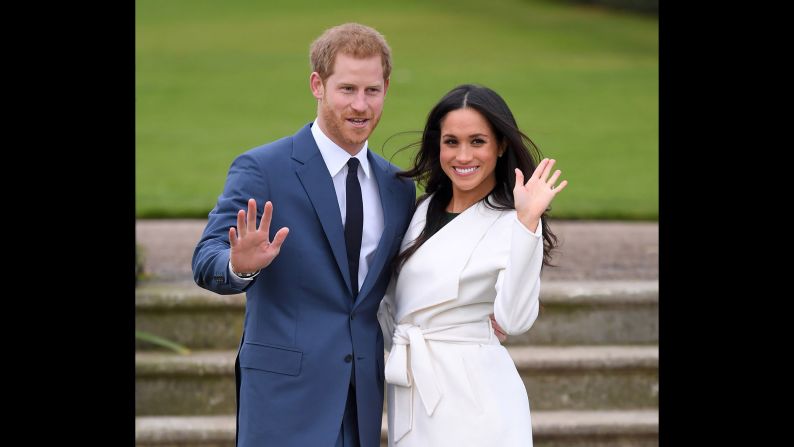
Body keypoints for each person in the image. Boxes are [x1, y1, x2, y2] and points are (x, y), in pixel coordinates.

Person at [192, 23, 417, 447]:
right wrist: (237, 266)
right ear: (318, 85)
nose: (360, 105)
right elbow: (206, 259)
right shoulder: (263, 169)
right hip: (283, 402)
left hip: (360, 404)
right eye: (347, 89)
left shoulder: (398, 186)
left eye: (372, 91)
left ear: (387, 88)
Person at [377, 84, 568, 446]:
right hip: (412, 390)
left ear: (501, 145)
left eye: (477, 141)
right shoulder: (419, 211)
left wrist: (527, 224)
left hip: (477, 398)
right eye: (451, 141)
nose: (463, 155)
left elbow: (513, 320)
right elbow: (390, 306)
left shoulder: (515, 222)